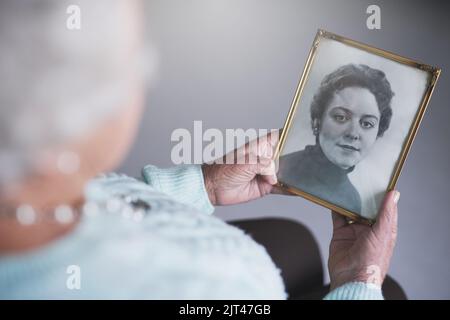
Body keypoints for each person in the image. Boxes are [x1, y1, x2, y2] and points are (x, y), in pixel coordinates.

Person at [0, 0, 399, 299]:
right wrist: (359, 283)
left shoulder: (30, 179)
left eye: (367, 123)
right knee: (389, 291)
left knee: (293, 239)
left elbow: (101, 197)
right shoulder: (224, 289)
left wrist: (203, 185)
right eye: (135, 63)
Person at [278, 64, 395, 214]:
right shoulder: (281, 169)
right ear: (317, 122)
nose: (353, 133)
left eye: (367, 123)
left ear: (377, 133)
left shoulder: (352, 200)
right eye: (340, 117)